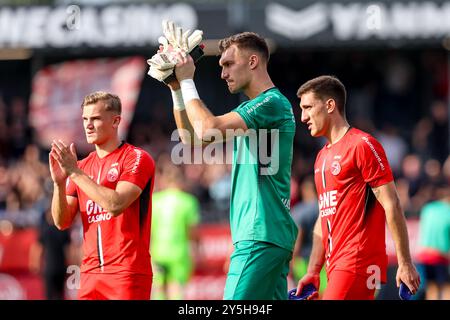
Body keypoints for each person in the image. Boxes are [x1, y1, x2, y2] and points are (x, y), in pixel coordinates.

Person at [152, 31, 298, 299]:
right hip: (264, 234)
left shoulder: (270, 102)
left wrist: (187, 80)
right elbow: (192, 140)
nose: (223, 74)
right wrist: (176, 89)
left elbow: (207, 129)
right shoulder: (257, 107)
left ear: (253, 61)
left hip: (260, 234)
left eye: (228, 64)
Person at [294, 75, 420, 300]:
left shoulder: (363, 145)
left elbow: (392, 203)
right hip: (336, 267)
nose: (303, 117)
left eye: (308, 107)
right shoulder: (322, 157)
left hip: (358, 262)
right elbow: (325, 216)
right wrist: (313, 271)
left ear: (330, 105)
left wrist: (405, 263)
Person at [49, 91, 155, 300]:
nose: (88, 125)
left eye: (96, 118)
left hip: (126, 272)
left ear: (116, 121)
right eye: (85, 119)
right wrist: (59, 184)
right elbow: (62, 222)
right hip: (89, 275)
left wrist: (75, 174)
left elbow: (115, 204)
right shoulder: (81, 166)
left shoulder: (136, 158)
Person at [151, 162, 200, 300]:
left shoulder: (155, 201)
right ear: (181, 180)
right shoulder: (188, 201)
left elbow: (149, 232)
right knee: (176, 290)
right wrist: (197, 250)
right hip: (179, 253)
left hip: (158, 252)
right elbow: (192, 232)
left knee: (159, 289)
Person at [416, 183, 450, 300]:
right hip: (440, 255)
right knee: (446, 287)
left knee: (431, 287)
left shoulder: (428, 209)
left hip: (424, 254)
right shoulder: (448, 211)